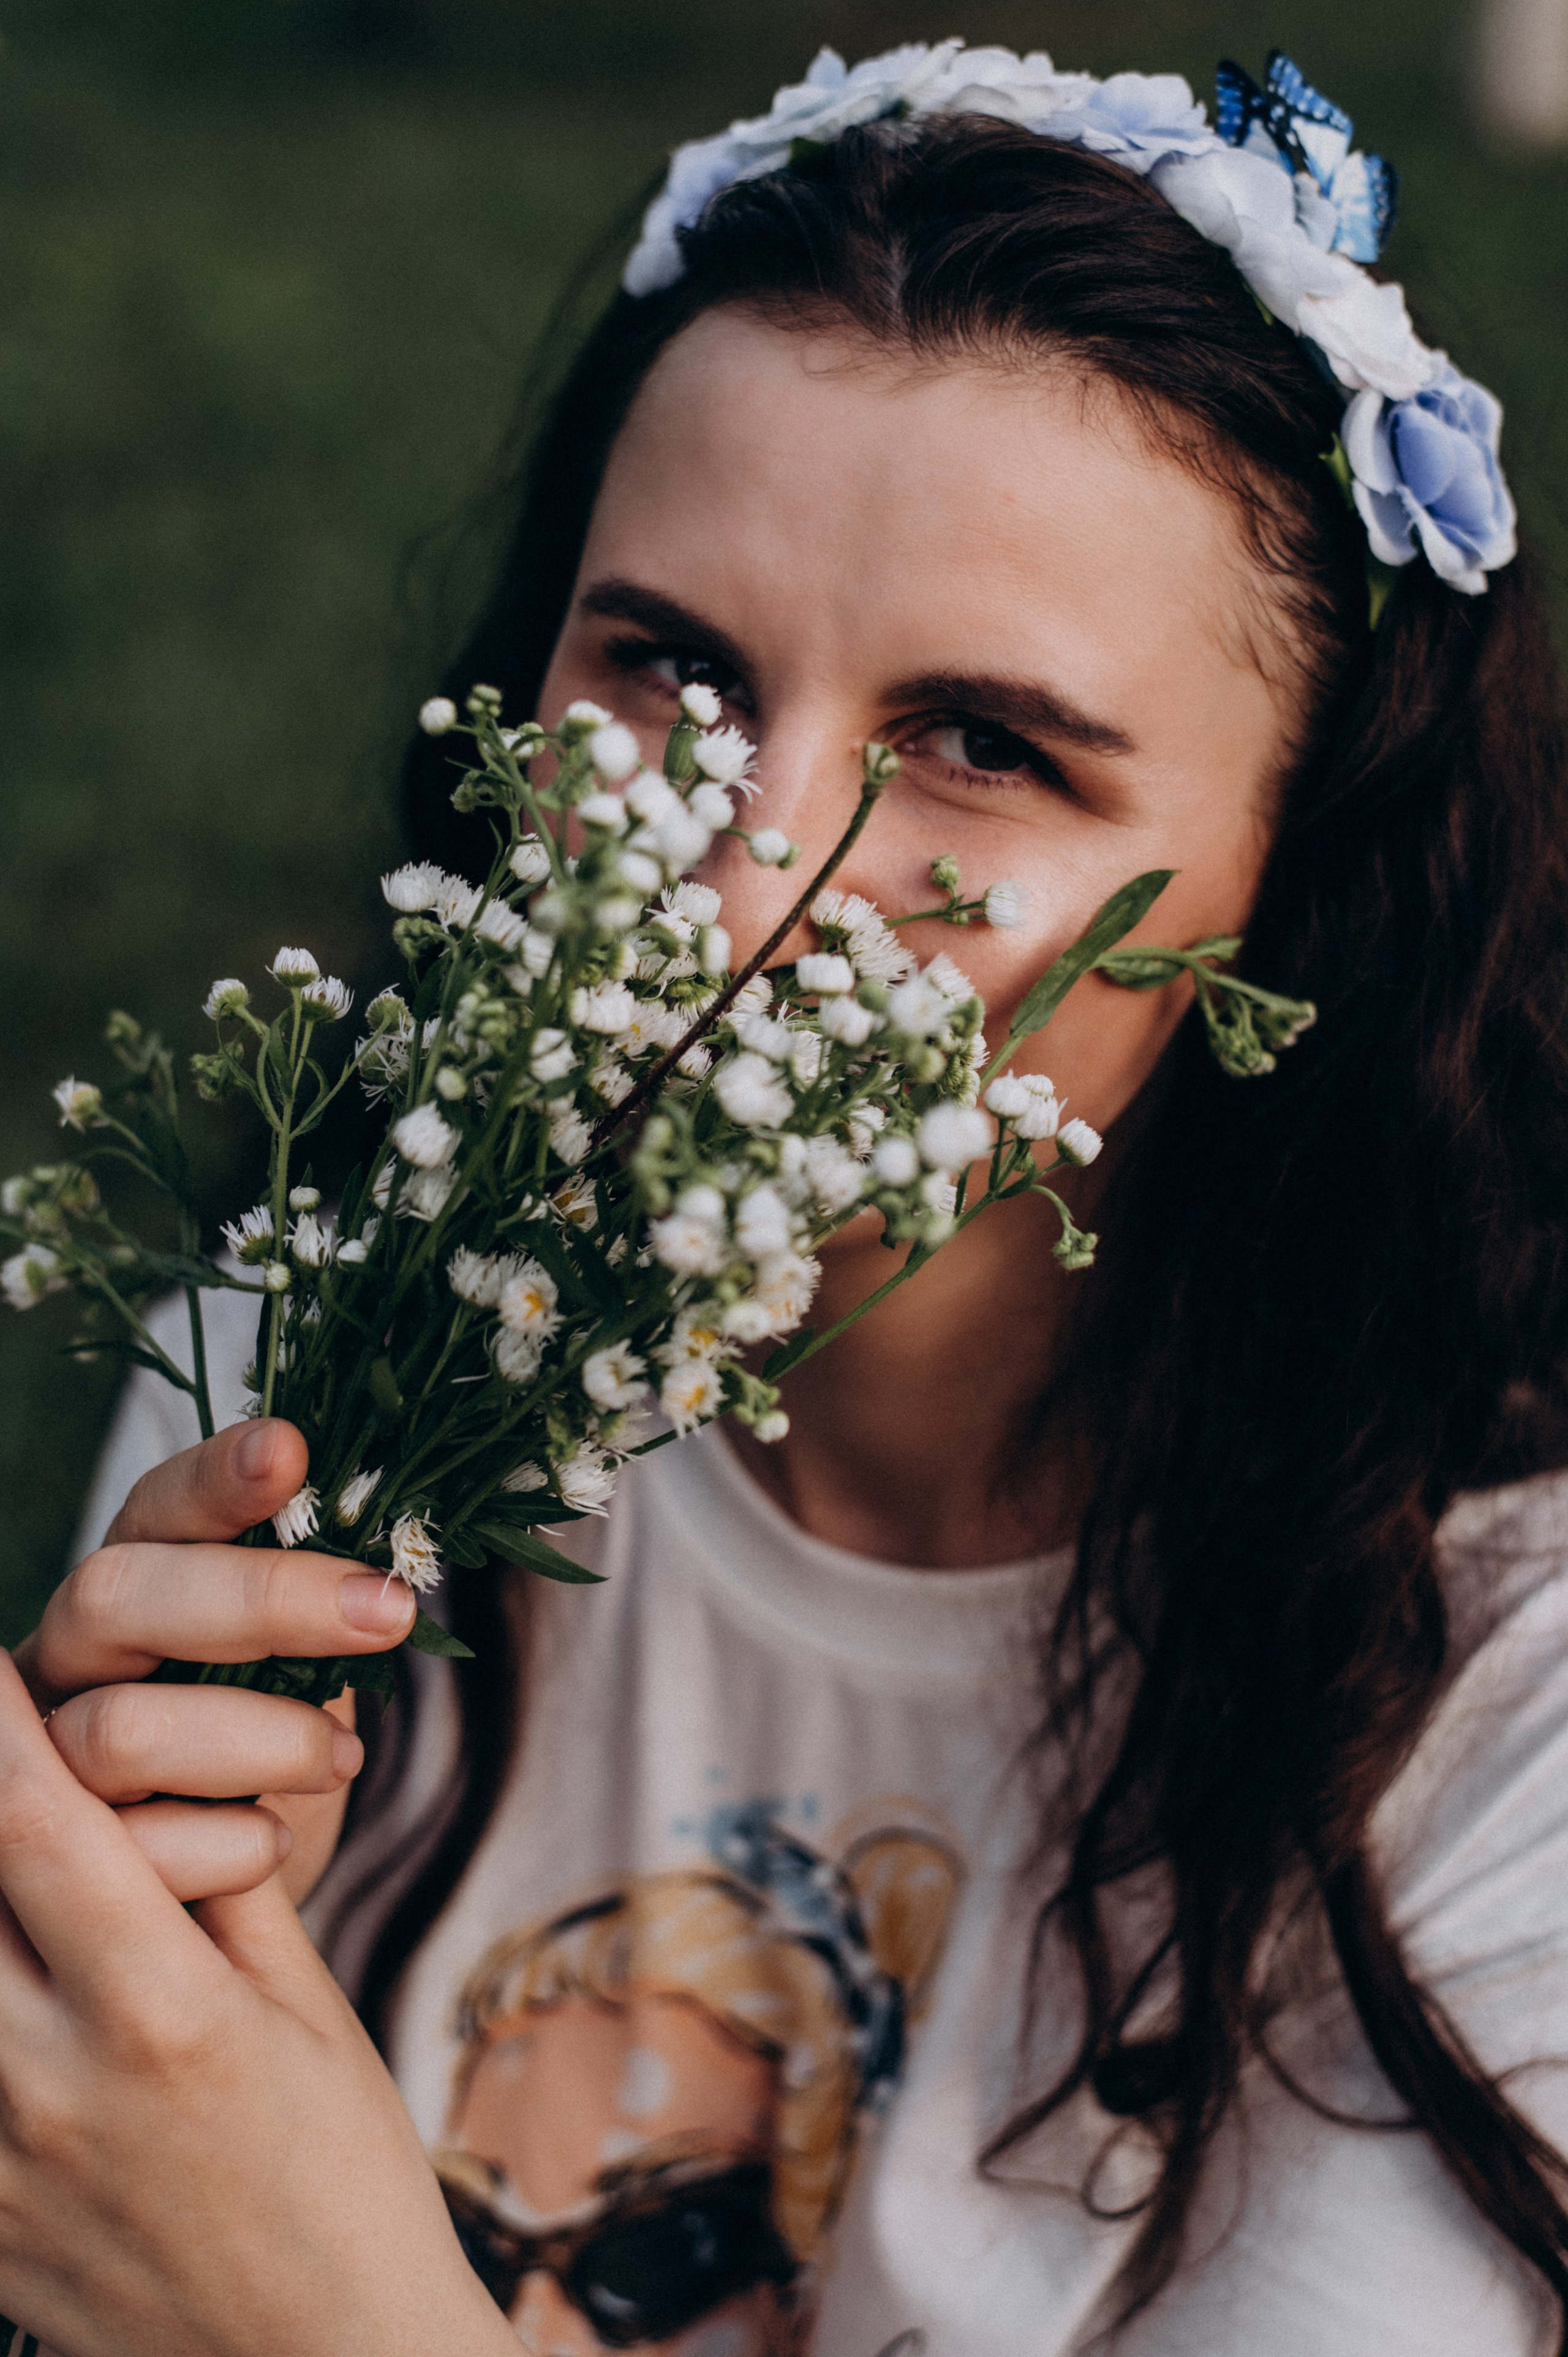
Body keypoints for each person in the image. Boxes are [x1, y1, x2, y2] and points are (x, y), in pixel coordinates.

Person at [1, 37, 1565, 2357]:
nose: (738, 888)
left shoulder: (1508, 1706)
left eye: (984, 747)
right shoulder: (320, 1377)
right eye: (669, 667)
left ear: (1294, 897)